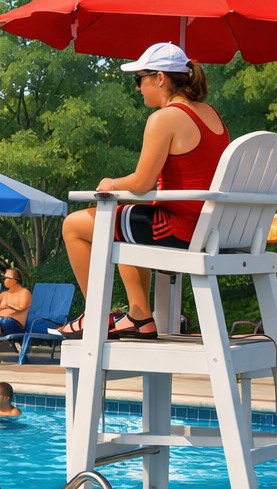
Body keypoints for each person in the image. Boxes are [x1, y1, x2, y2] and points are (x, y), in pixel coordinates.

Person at [56, 42, 229, 341]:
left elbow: (141, 183)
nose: (138, 89)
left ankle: (94, 315)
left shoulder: (165, 118)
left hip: (182, 228)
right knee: (120, 224)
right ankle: (139, 317)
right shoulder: (210, 114)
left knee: (73, 225)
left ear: (160, 78)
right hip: (211, 227)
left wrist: (111, 183)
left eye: (140, 80)